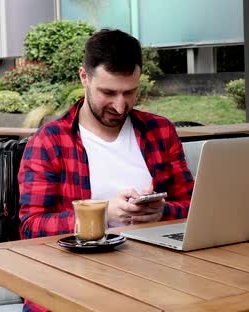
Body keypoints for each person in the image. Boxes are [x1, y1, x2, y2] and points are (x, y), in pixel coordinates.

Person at [18, 28, 194, 311]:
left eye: (130, 92)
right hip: (70, 287)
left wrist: (163, 212)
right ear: (84, 77)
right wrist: (101, 215)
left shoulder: (160, 131)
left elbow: (195, 207)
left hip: (154, 278)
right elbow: (31, 227)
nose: (120, 105)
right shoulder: (50, 142)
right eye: (108, 92)